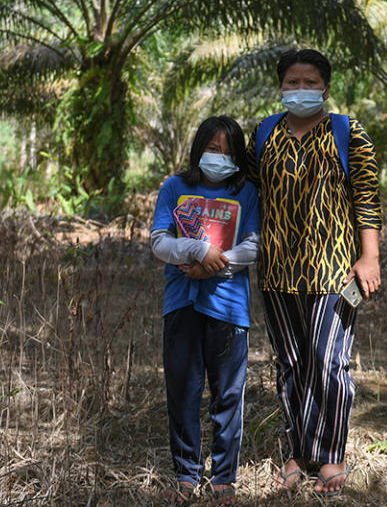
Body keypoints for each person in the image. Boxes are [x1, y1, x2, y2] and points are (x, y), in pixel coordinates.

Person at [247, 49, 382, 497]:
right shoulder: (265, 132)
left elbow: (366, 197)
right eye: (292, 81)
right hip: (278, 270)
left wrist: (370, 257)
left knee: (329, 362)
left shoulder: (347, 132)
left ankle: (330, 456)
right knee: (291, 364)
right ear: (281, 86)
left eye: (309, 81)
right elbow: (247, 193)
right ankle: (297, 452)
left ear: (325, 87)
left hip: (336, 271)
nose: (300, 88)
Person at [150, 116, 260, 507]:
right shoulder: (175, 188)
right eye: (213, 149)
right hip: (181, 302)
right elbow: (160, 242)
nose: (220, 157)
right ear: (199, 150)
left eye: (228, 151)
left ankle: (223, 479)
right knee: (182, 390)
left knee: (227, 395)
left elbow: (254, 246)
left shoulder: (246, 192)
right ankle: (185, 475)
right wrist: (197, 250)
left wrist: (217, 262)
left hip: (228, 307)